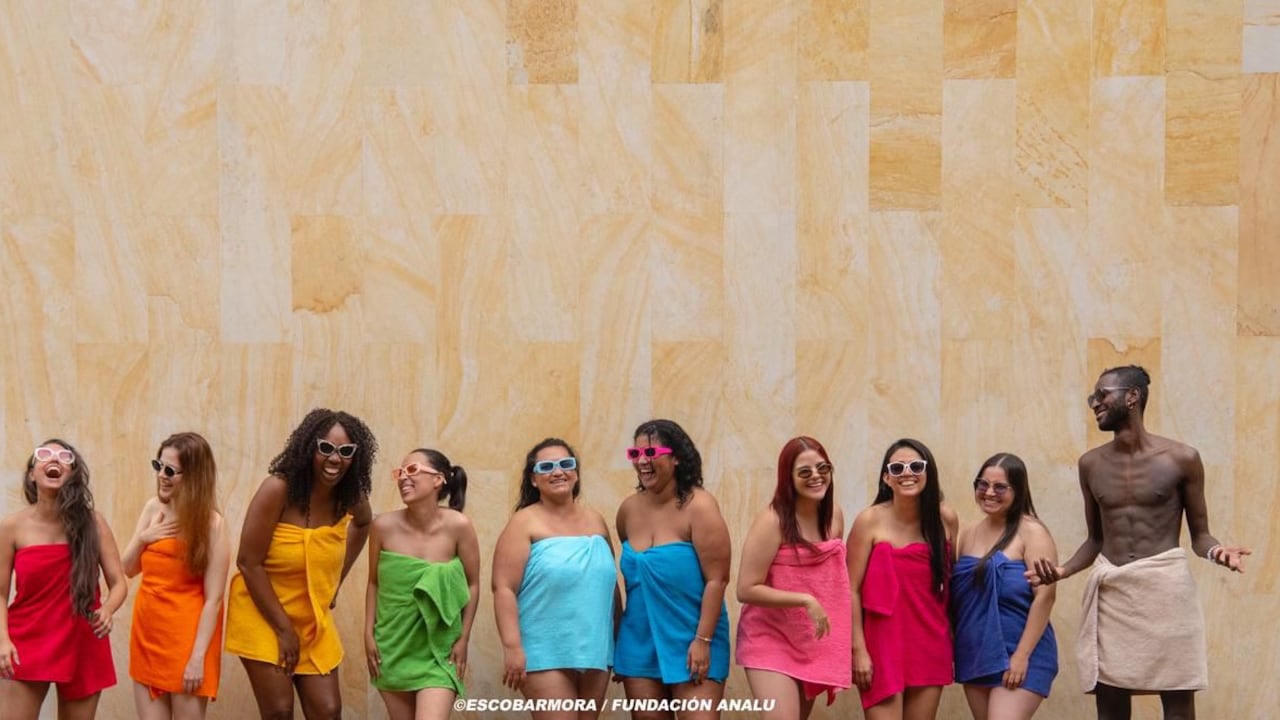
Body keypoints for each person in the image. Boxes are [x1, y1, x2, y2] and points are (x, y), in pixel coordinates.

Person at [1027, 366, 1251, 720]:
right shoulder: (1090, 464)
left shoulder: (1183, 459)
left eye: (1102, 395)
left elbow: (1200, 535)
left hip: (1165, 590)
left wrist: (1215, 551)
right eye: (1092, 398)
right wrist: (1063, 570)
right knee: (1111, 704)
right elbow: (1096, 539)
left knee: (1177, 705)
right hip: (1113, 592)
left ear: (1132, 396)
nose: (1095, 404)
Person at [224, 409, 377, 719]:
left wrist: (334, 583)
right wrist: (283, 630)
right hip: (262, 613)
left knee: (328, 710)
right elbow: (248, 562)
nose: (335, 459)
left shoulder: (349, 496)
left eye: (346, 451)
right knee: (279, 711)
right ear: (309, 448)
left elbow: (363, 524)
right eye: (326, 448)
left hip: (311, 618)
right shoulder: (278, 489)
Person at [0, 439, 128, 720]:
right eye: (44, 455)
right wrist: (2, 639)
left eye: (64, 457)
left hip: (83, 638)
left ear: (73, 473)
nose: (54, 460)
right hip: (26, 639)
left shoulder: (94, 523)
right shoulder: (12, 526)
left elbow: (119, 582)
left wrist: (107, 609)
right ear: (32, 473)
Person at [491, 438, 618, 720]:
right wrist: (512, 647)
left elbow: (610, 587)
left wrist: (620, 639)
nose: (558, 471)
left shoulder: (596, 520)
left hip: (595, 646)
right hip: (543, 648)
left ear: (576, 472)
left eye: (566, 464)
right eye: (546, 466)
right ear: (534, 479)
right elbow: (503, 588)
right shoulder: (523, 522)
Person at [614, 419, 731, 720]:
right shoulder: (627, 510)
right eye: (635, 454)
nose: (642, 461)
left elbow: (717, 580)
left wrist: (702, 641)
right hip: (639, 640)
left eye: (651, 452)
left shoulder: (700, 506)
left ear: (676, 456)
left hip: (693, 638)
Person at [736, 436, 851, 720]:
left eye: (823, 469)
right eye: (805, 472)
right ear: (788, 478)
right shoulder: (772, 521)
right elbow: (746, 588)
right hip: (769, 638)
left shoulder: (834, 517)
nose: (816, 477)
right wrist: (805, 599)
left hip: (808, 639)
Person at [122, 432, 231, 720]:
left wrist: (197, 659)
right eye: (158, 466)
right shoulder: (152, 508)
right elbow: (128, 568)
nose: (162, 476)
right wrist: (144, 537)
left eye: (171, 471)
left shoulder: (212, 524)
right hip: (147, 636)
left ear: (194, 476)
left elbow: (214, 599)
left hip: (188, 642)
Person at [846, 438, 958, 720]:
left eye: (915, 466)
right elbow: (851, 589)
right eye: (897, 468)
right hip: (881, 644)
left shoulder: (945, 519)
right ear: (887, 477)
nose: (907, 473)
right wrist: (858, 649)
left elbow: (951, 584)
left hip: (930, 641)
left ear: (928, 472)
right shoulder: (869, 520)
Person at [366, 447, 480, 720]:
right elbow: (373, 583)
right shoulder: (382, 526)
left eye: (413, 470)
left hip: (438, 648)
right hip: (393, 645)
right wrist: (368, 635)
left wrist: (463, 638)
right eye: (400, 472)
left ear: (439, 479)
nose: (404, 477)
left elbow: (473, 584)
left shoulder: (459, 526)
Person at [952, 453, 1057, 719]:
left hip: (1021, 653)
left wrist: (1021, 656)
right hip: (976, 654)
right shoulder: (967, 533)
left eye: (1000, 487)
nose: (989, 493)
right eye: (982, 484)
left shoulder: (1032, 532)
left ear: (1018, 490)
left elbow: (1045, 597)